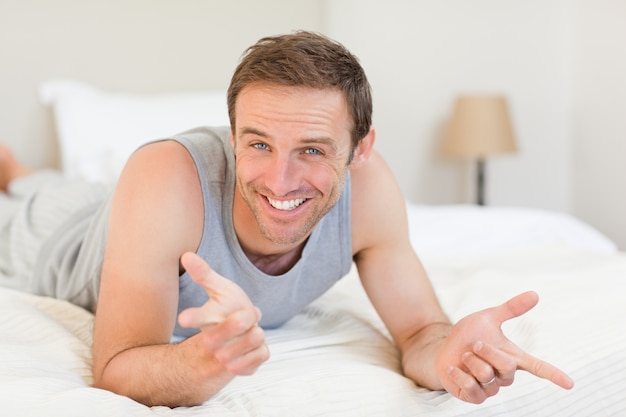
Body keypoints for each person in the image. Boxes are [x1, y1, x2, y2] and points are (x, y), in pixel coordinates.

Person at [0, 31, 573, 407]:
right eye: (259, 144)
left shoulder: (370, 194)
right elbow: (118, 368)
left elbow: (422, 332)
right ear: (230, 134)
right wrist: (204, 361)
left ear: (361, 149)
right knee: (31, 196)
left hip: (114, 207)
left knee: (51, 184)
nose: (279, 182)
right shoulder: (162, 177)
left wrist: (450, 355)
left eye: (313, 150)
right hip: (56, 235)